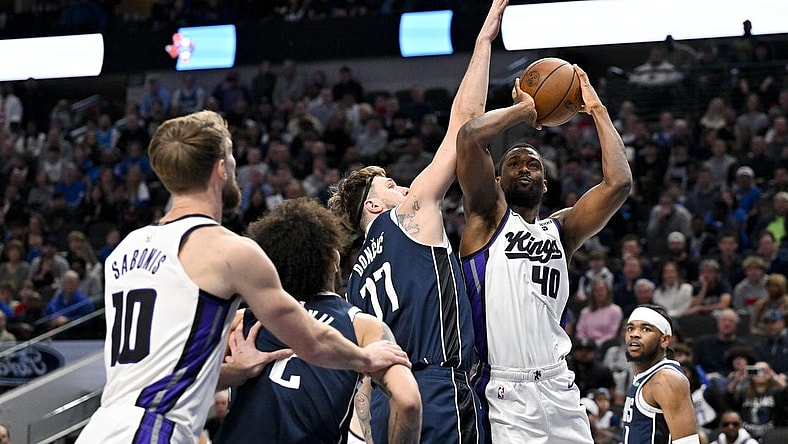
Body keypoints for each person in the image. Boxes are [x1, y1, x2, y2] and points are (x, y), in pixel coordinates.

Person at [75, 110, 410, 444]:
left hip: (103, 425)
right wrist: (365, 357)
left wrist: (236, 372)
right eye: (232, 157)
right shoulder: (229, 251)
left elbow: (156, 368)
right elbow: (310, 339)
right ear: (221, 169)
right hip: (152, 431)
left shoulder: (124, 250)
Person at [327, 2, 510, 442]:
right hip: (439, 387)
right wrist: (483, 43)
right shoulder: (406, 215)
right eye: (389, 184)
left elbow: (362, 380)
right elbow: (463, 127)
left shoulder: (354, 283)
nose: (402, 187)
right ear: (374, 207)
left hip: (390, 407)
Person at [455, 58, 632, 442]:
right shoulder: (486, 219)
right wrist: (523, 111)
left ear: (545, 183)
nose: (523, 167)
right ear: (497, 179)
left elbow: (618, 183)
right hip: (505, 389)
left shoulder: (561, 230)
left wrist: (596, 108)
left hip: (559, 384)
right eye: (513, 163)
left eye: (532, 164)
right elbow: (469, 137)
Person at [215, 197, 421, 443]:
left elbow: (180, 380)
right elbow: (408, 401)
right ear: (333, 261)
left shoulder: (240, 322)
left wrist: (235, 371)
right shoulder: (362, 326)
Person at [621, 304, 699, 443]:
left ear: (664, 340)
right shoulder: (644, 376)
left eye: (646, 329)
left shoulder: (666, 379)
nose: (634, 334)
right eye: (630, 328)